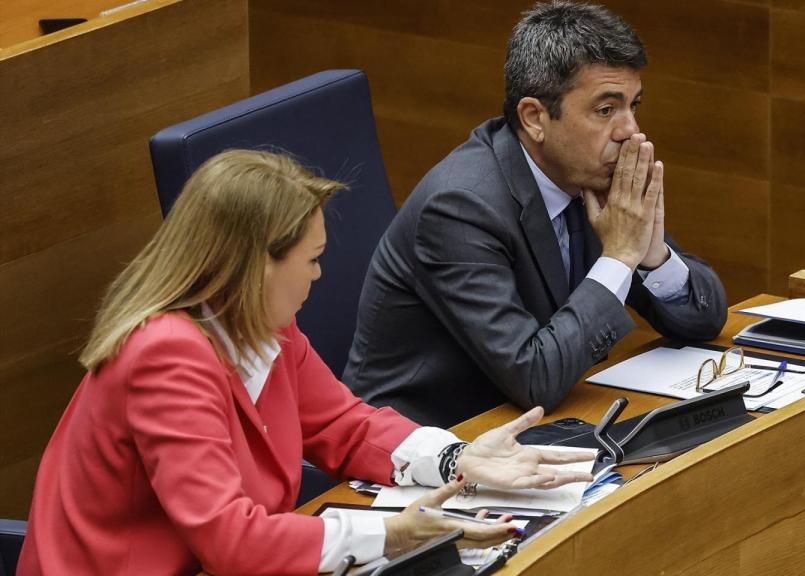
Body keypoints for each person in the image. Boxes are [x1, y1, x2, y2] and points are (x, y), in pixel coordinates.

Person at [18, 150, 592, 576]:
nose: (318, 276)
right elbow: (228, 539)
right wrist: (391, 534)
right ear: (253, 265)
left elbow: (341, 424)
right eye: (311, 259)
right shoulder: (166, 355)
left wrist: (457, 458)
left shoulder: (262, 324)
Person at [344, 1, 728, 428]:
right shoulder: (459, 208)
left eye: (633, 106)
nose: (630, 132)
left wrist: (651, 255)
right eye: (606, 110)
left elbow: (705, 320)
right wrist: (619, 257)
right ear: (534, 118)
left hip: (533, 427)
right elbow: (534, 377)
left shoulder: (586, 176)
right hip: (429, 447)